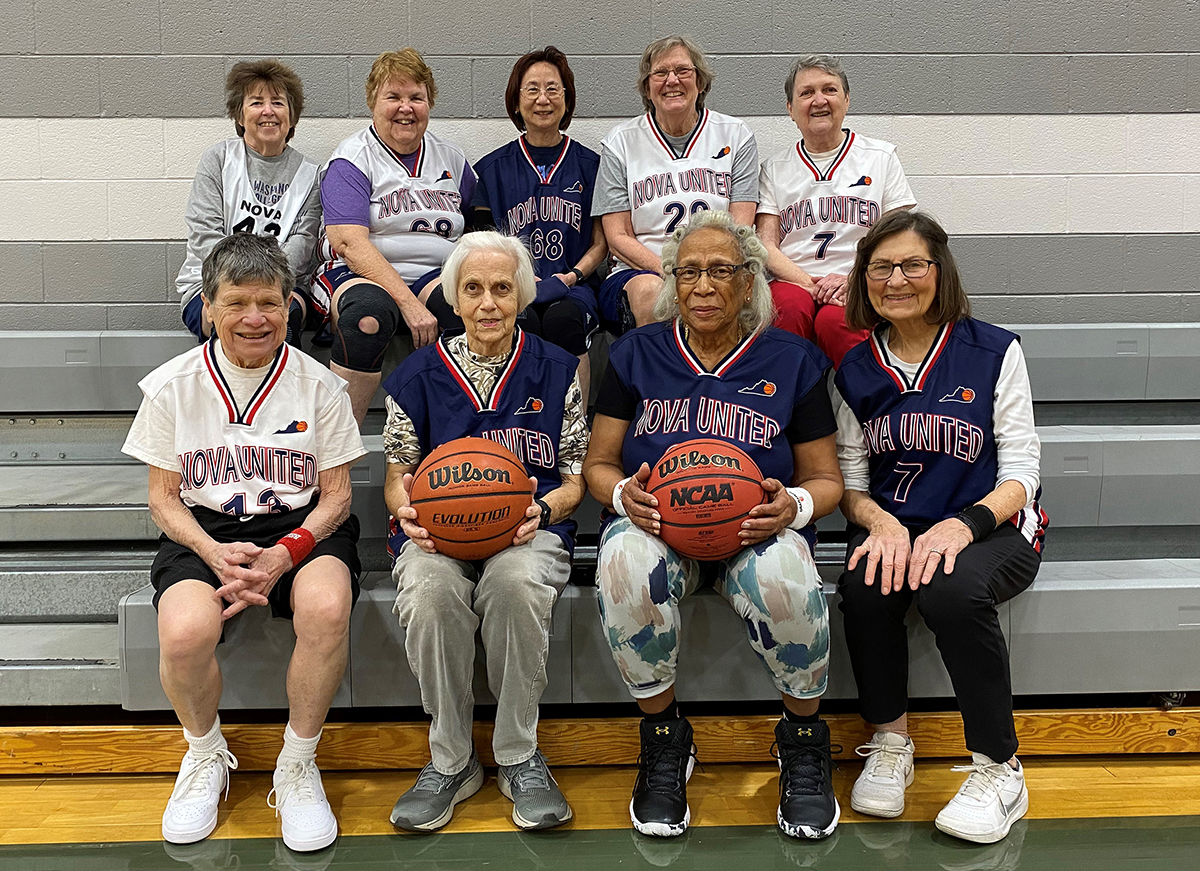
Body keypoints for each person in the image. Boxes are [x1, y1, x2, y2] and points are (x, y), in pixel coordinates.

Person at [582, 210, 844, 840]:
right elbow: (598, 463)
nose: (703, 286)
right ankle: (666, 735)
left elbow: (827, 480)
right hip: (660, 527)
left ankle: (804, 737)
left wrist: (795, 508)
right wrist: (623, 496)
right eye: (689, 271)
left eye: (720, 271)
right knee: (620, 561)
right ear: (669, 281)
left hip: (755, 527)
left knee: (784, 574)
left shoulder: (794, 359)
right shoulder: (637, 352)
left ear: (750, 280)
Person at [123, 234, 366, 852]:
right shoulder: (170, 387)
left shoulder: (321, 387)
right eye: (236, 303)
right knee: (183, 632)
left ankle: (297, 763)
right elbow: (162, 498)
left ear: (291, 307)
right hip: (207, 532)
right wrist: (211, 553)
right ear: (208, 307)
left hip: (303, 526)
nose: (253, 318)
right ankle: (204, 755)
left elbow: (339, 496)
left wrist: (287, 552)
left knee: (326, 607)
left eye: (269, 303)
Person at [831, 210, 1048, 844]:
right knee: (865, 585)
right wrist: (880, 524)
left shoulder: (994, 349)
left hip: (995, 526)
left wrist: (965, 524)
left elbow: (1022, 470)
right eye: (881, 268)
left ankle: (999, 768)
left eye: (912, 265)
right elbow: (850, 483)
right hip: (902, 526)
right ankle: (891, 742)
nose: (897, 279)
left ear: (939, 271)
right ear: (864, 280)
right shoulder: (853, 369)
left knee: (949, 588)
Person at [382, 231, 588, 832]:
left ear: (522, 295)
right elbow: (397, 473)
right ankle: (451, 760)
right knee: (430, 590)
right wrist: (408, 511)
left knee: (516, 583)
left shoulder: (556, 369)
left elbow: (574, 478)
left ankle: (519, 755)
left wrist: (543, 511)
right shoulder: (420, 373)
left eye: (502, 288)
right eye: (473, 289)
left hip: (529, 528)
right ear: (454, 297)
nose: (489, 303)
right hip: (437, 536)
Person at [313, 48, 477, 424]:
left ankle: (456, 438)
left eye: (416, 98)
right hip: (360, 273)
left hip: (433, 275)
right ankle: (340, 447)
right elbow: (349, 243)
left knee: (467, 313)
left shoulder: (451, 158)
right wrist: (408, 303)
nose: (406, 107)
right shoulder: (351, 159)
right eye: (394, 97)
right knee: (366, 322)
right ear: (373, 102)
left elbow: (474, 226)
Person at [757, 55, 916, 367]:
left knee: (837, 321)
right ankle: (786, 406)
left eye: (829, 90)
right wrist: (811, 285)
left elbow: (900, 240)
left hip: (860, 279)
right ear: (790, 109)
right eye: (806, 93)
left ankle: (867, 409)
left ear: (846, 99)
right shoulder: (773, 168)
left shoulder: (881, 157)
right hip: (794, 282)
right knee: (786, 309)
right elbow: (765, 244)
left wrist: (855, 278)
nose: (819, 100)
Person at [593, 36, 759, 333]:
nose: (672, 80)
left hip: (718, 265)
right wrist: (674, 273)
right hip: (640, 270)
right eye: (660, 73)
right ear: (647, 86)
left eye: (683, 71)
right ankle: (656, 380)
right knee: (653, 293)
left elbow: (740, 227)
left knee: (729, 291)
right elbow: (617, 237)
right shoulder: (620, 142)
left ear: (701, 82)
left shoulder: (736, 135)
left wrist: (703, 274)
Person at [472, 46, 607, 406]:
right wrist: (514, 278)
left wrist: (573, 276)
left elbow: (601, 242)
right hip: (513, 287)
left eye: (553, 89)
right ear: (516, 102)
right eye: (532, 90)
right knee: (522, 324)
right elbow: (482, 244)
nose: (543, 99)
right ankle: (518, 424)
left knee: (564, 321)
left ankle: (575, 434)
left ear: (567, 99)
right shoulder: (491, 169)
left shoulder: (592, 166)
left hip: (573, 285)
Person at [176, 60, 321, 347]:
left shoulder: (313, 175)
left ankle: (281, 393)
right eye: (256, 102)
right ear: (240, 116)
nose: (268, 111)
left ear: (292, 117)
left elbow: (303, 246)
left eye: (278, 103)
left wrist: (262, 288)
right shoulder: (218, 160)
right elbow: (205, 235)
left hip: (282, 289)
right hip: (212, 284)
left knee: (281, 324)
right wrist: (243, 288)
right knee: (235, 323)